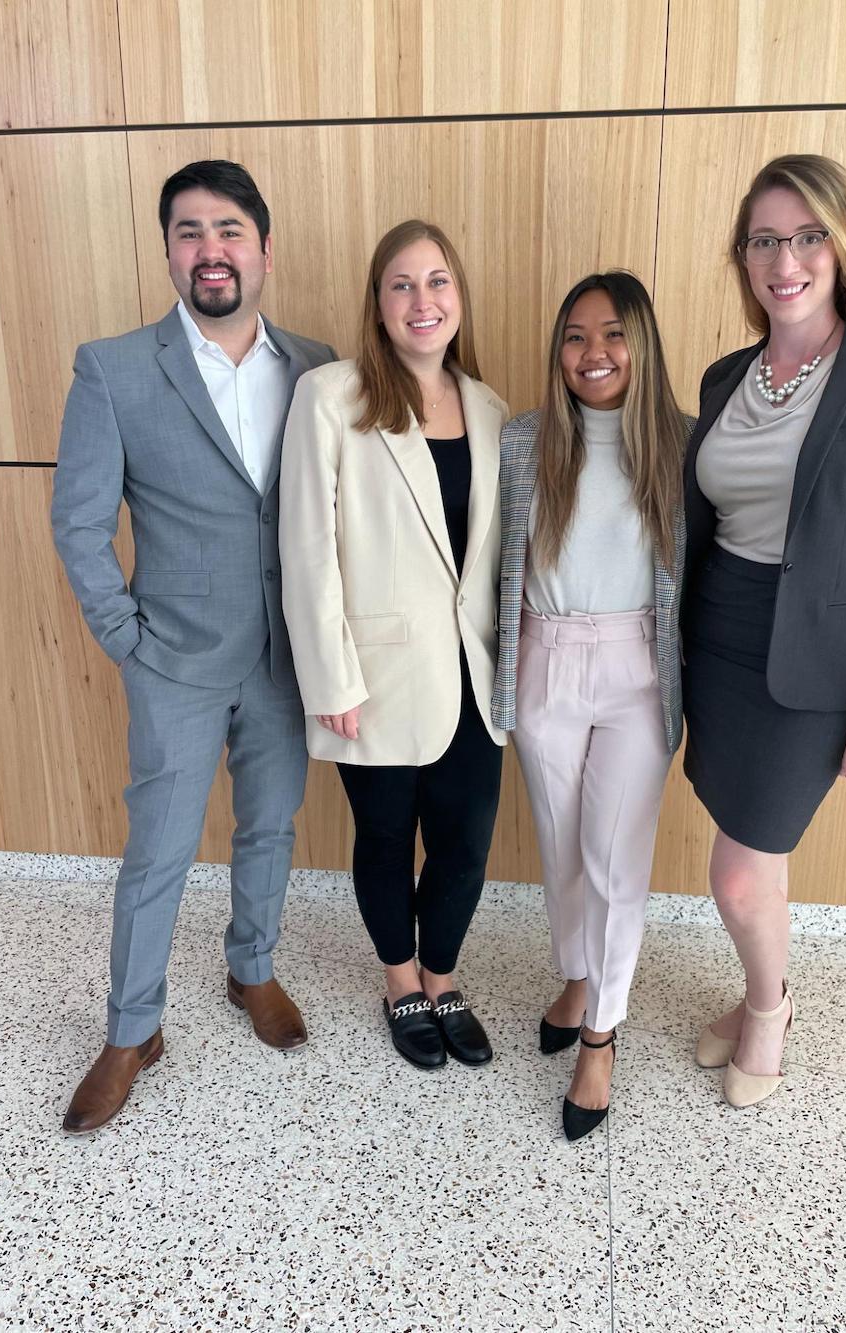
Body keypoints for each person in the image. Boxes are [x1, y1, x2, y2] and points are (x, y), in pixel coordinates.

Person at [51, 160, 336, 1133]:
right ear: (169, 250)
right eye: (187, 232)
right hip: (171, 658)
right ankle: (132, 1029)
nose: (209, 250)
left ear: (262, 247)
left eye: (228, 231)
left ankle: (249, 968)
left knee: (269, 824)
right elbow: (78, 523)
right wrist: (129, 642)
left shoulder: (320, 367)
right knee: (158, 850)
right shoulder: (115, 367)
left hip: (285, 659)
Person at [683, 153, 846, 1108]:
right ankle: (763, 988)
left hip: (818, 666)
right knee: (751, 847)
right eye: (765, 240)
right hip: (719, 644)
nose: (784, 259)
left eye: (806, 236)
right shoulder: (724, 379)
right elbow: (703, 524)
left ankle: (769, 1007)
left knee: (738, 874)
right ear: (745, 258)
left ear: (841, 245)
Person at [279, 219, 507, 1071]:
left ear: (459, 298)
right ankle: (400, 979)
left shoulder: (487, 406)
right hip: (369, 677)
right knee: (383, 838)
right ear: (377, 304)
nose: (423, 300)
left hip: (473, 678)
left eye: (438, 281)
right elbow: (306, 548)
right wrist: (329, 678)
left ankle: (444, 975)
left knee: (466, 843)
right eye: (402, 284)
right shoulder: (332, 396)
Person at [492, 271, 691, 1140]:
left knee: (616, 860)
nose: (593, 353)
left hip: (638, 667)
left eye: (612, 334)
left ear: (640, 343)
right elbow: (495, 563)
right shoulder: (524, 441)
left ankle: (601, 1033)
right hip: (545, 656)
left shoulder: (682, 445)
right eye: (574, 336)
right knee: (565, 842)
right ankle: (577, 973)